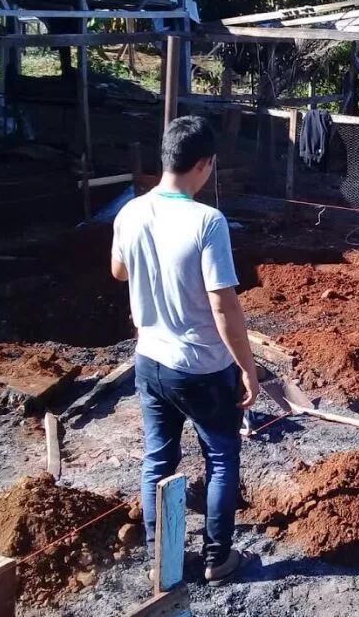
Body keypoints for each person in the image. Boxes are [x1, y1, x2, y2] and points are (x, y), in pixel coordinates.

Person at [111, 116, 265, 586]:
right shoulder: (207, 221)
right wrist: (248, 368)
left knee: (158, 459)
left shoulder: (130, 212)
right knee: (221, 457)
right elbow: (224, 306)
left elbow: (119, 271)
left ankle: (166, 561)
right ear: (204, 165)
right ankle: (218, 559)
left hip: (150, 360)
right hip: (200, 366)